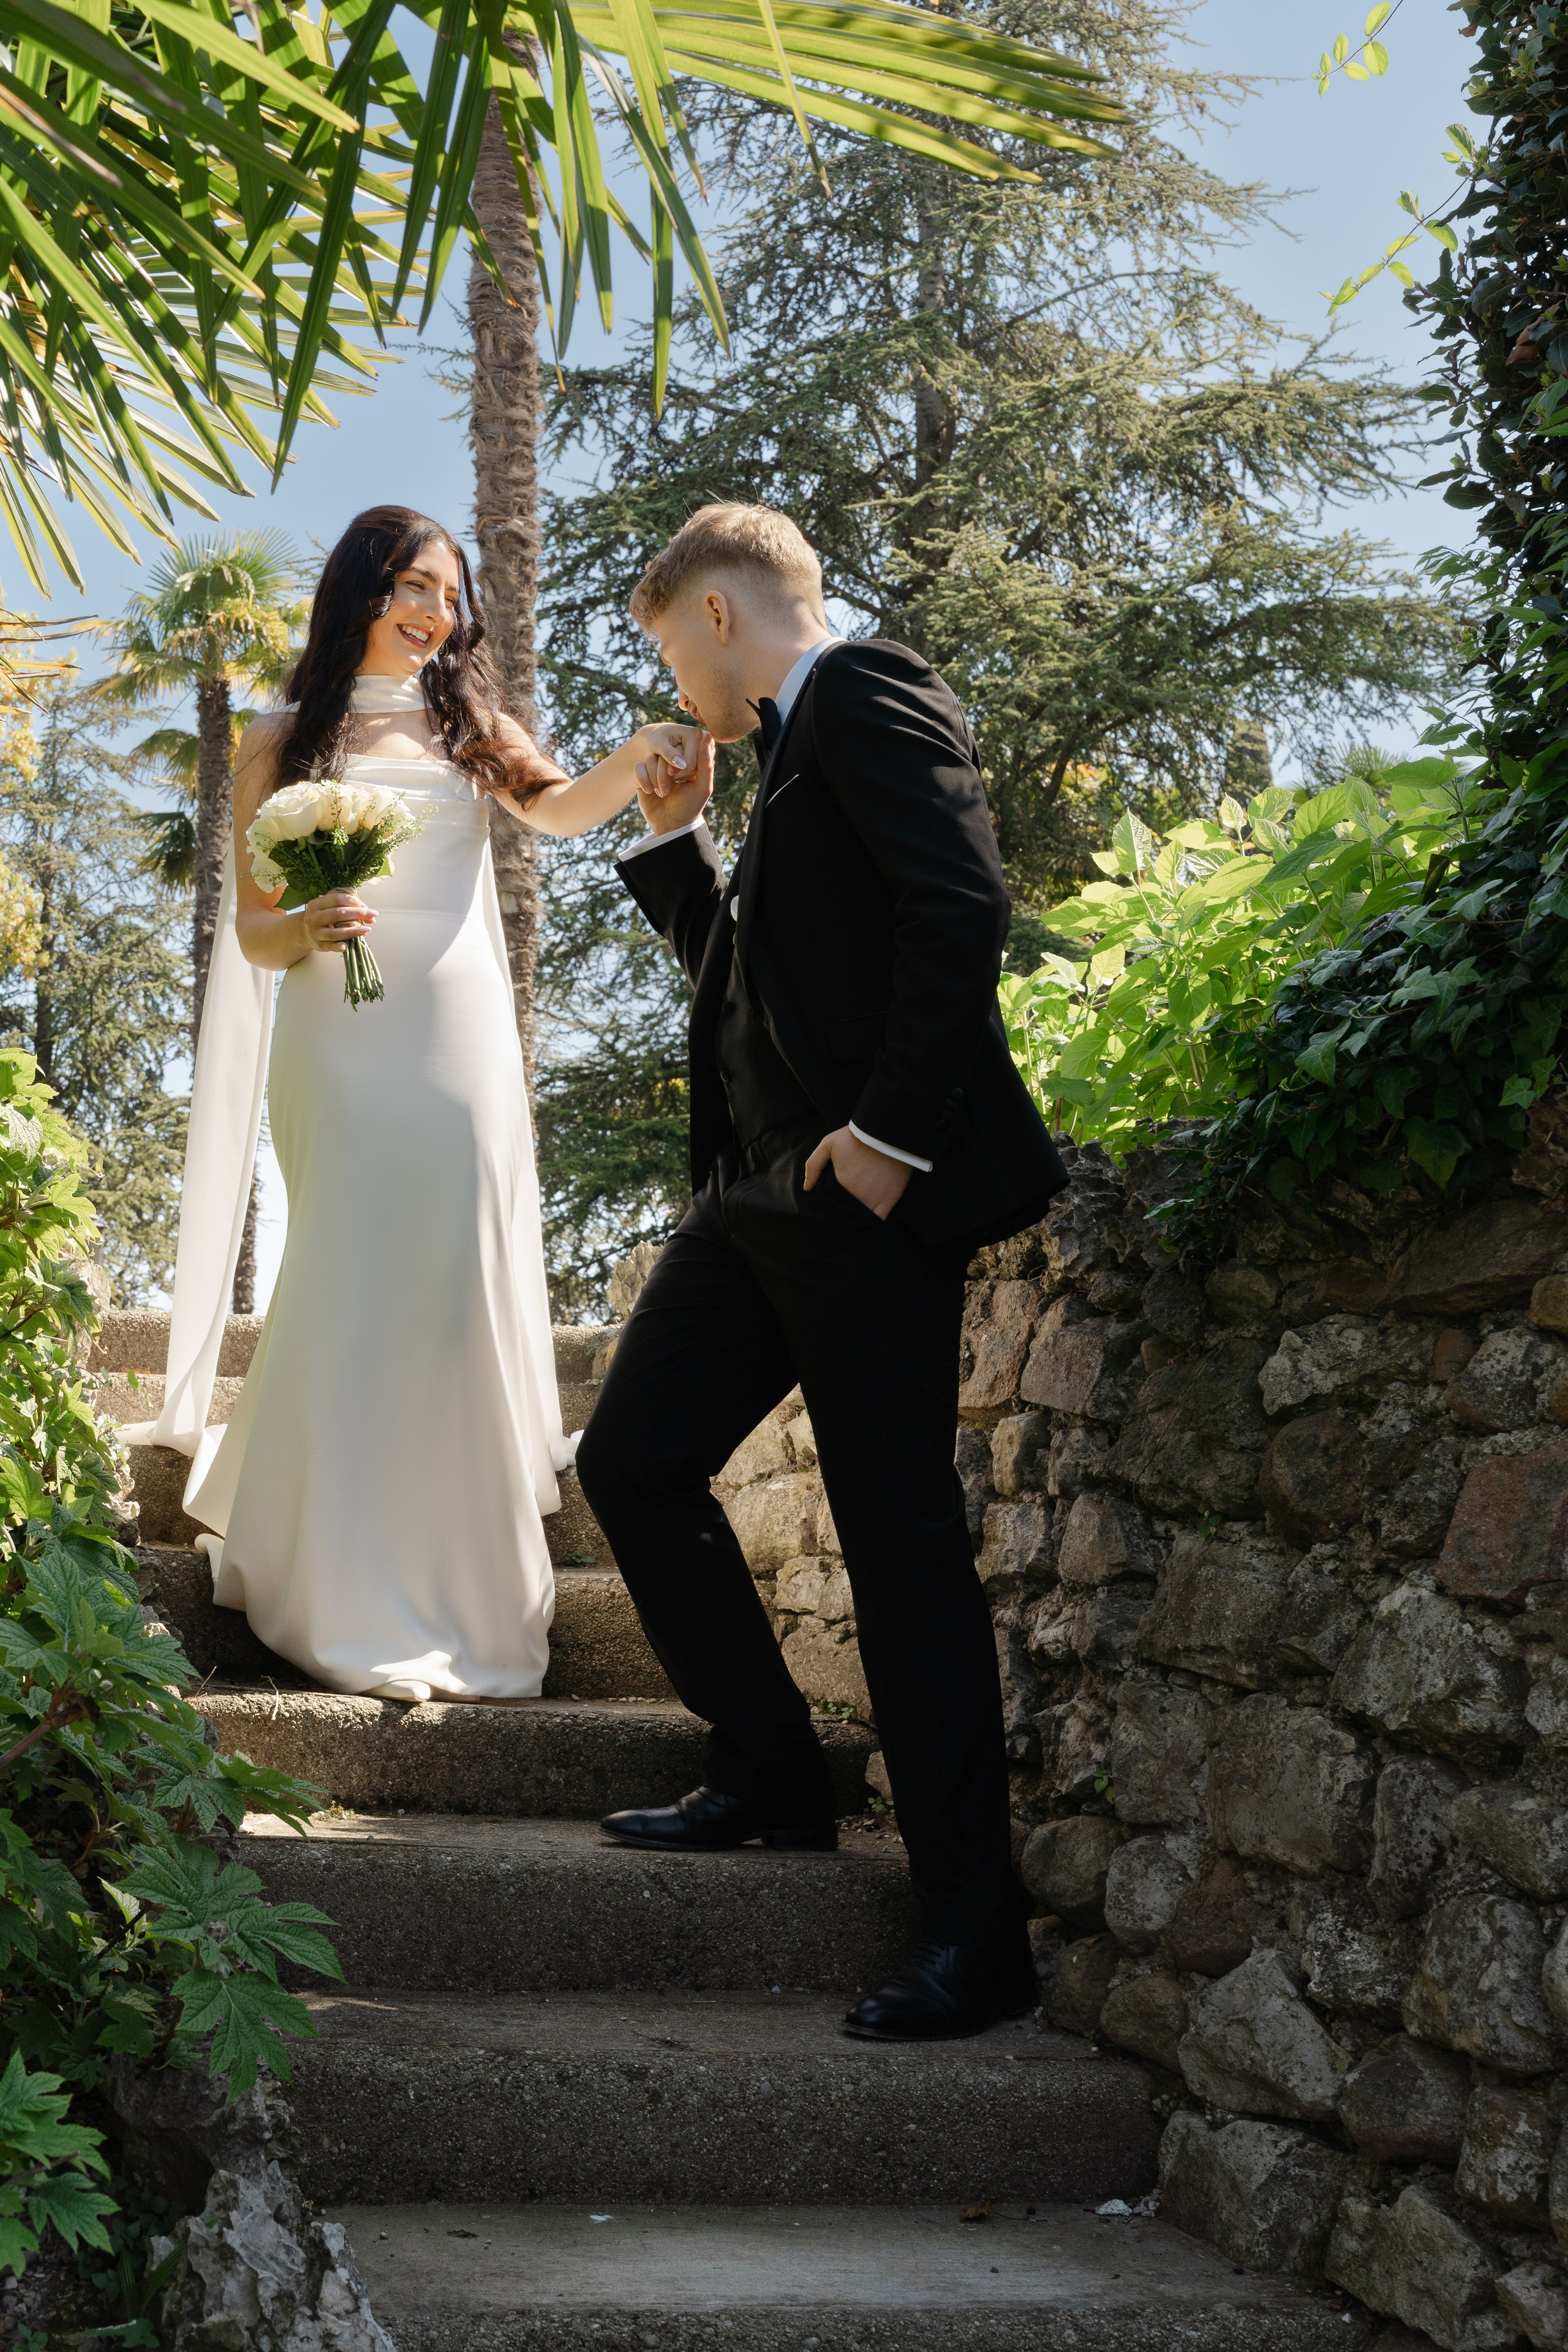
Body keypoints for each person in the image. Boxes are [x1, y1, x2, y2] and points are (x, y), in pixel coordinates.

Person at [575, 503, 1069, 2040]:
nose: (677, 688)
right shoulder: (786, 753)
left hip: (854, 1199)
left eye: (672, 650)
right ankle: (773, 1773)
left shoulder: (863, 688)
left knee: (897, 1543)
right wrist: (678, 843)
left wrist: (887, 1143)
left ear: (718, 613)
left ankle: (974, 1936)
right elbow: (757, 985)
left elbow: (959, 903)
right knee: (632, 1458)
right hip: (755, 1203)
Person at [125, 505, 701, 1703]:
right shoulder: (278, 739)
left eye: (450, 593)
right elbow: (252, 930)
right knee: (351, 1263)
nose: (436, 612)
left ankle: (462, 1586)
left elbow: (556, 808)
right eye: (412, 586)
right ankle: (332, 1578)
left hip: (457, 1033)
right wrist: (308, 922)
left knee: (450, 1278)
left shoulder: (473, 727)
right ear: (360, 592)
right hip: (339, 1037)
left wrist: (638, 752)